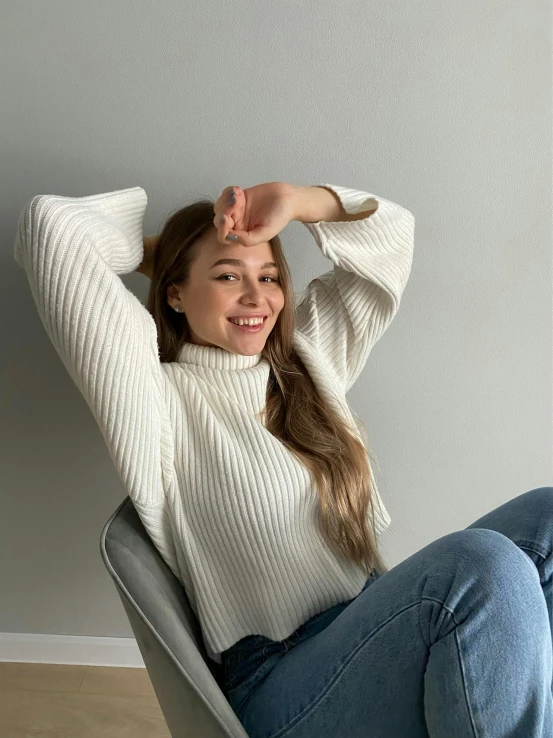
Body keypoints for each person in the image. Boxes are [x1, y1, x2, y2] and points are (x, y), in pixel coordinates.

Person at [13, 181, 553, 736]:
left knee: (548, 516)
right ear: (174, 293)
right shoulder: (153, 398)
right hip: (281, 682)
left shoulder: (306, 362)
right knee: (482, 565)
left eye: (268, 277)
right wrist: (159, 253)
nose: (256, 297)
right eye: (227, 276)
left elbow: (392, 239)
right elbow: (50, 229)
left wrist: (294, 201)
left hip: (368, 624)